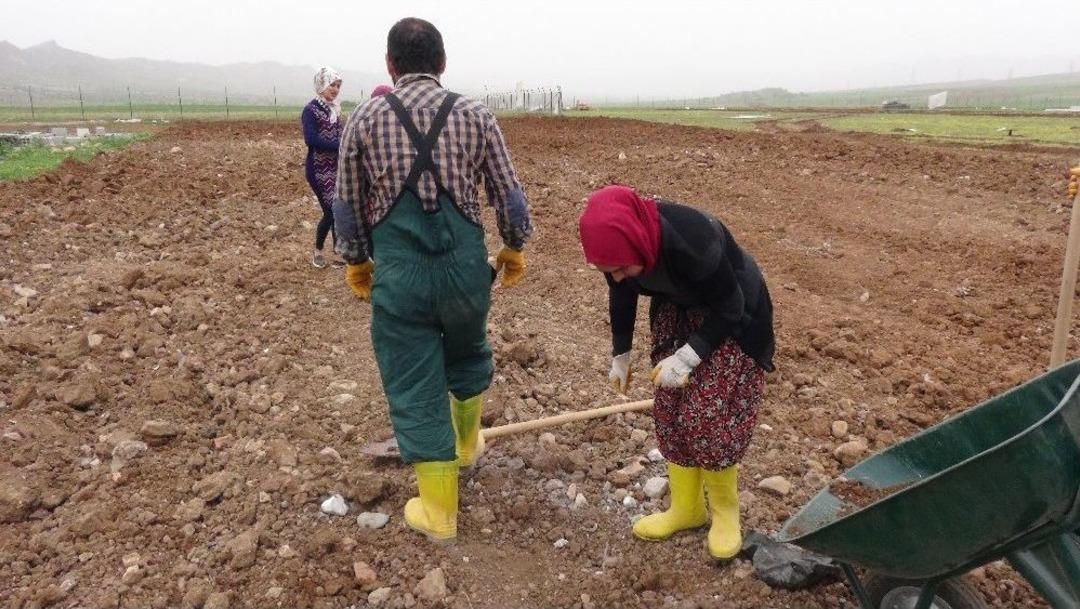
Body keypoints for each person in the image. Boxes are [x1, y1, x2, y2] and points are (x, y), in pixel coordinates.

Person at [334, 17, 532, 543]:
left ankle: (440, 513)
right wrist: (512, 246)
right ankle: (467, 446)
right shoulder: (475, 114)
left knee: (414, 379)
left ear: (390, 65)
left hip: (400, 276)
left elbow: (347, 206)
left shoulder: (365, 118)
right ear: (442, 64)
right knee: (467, 352)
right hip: (468, 273)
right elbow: (509, 196)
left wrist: (356, 260)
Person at [578, 185, 775, 560]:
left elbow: (731, 305)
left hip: (733, 315)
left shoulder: (693, 239)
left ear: (637, 243)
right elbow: (622, 292)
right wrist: (621, 352)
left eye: (620, 268)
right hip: (679, 308)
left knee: (707, 416)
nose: (616, 276)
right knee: (669, 410)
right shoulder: (621, 252)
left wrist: (689, 357)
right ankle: (687, 509)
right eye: (608, 270)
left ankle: (724, 512)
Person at [301, 66, 345, 268]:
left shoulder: (335, 109)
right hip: (317, 170)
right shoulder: (310, 110)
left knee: (337, 209)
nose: (335, 89)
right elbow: (311, 140)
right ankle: (318, 252)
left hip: (336, 168)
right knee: (330, 211)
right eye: (331, 85)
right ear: (321, 85)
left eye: (337, 85)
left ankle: (338, 254)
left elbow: (342, 134)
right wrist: (340, 145)